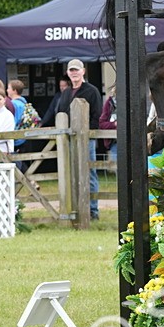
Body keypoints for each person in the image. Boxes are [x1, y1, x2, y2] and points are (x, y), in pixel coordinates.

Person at [65, 59, 103, 220]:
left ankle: (93, 210)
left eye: (77, 70)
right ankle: (75, 208)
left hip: (87, 138)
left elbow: (97, 114)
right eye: (71, 70)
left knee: (89, 172)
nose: (74, 73)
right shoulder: (66, 93)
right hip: (69, 138)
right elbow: (61, 112)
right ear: (68, 73)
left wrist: (88, 133)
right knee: (72, 172)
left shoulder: (91, 91)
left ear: (83, 71)